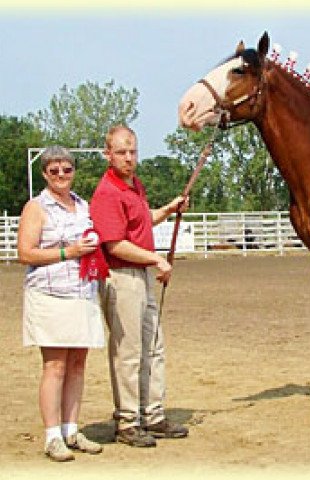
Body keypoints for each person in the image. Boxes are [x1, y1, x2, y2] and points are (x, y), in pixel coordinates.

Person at [90, 125, 189, 448]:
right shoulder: (107, 192)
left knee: (154, 346)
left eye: (132, 151)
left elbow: (140, 222)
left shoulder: (134, 186)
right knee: (129, 351)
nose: (129, 158)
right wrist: (156, 259)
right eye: (121, 152)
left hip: (141, 276)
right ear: (108, 154)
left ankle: (153, 412)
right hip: (122, 277)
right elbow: (115, 244)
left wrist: (168, 210)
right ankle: (128, 419)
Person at [18, 145, 105, 462]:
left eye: (66, 169)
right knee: (54, 366)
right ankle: (52, 435)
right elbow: (25, 253)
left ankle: (71, 428)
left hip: (82, 292)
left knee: (77, 365)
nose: (61, 176)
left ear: (74, 171)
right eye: (54, 170)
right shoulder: (36, 208)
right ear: (44, 173)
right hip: (50, 294)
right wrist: (69, 252)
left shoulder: (83, 206)